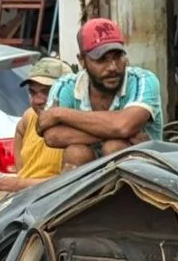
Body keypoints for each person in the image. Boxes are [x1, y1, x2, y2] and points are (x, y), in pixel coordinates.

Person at [38, 18, 162, 167]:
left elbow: (123, 126)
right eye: (101, 59)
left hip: (146, 175)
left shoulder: (142, 80)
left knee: (114, 147)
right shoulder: (66, 86)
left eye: (118, 57)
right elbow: (53, 137)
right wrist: (117, 131)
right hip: (85, 171)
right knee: (76, 153)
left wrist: (59, 114)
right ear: (82, 60)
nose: (113, 67)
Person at [0, 57, 73, 195]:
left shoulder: (75, 127)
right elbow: (20, 130)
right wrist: (20, 179)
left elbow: (69, 183)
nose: (37, 100)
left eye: (46, 92)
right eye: (33, 92)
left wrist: (19, 184)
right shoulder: (30, 116)